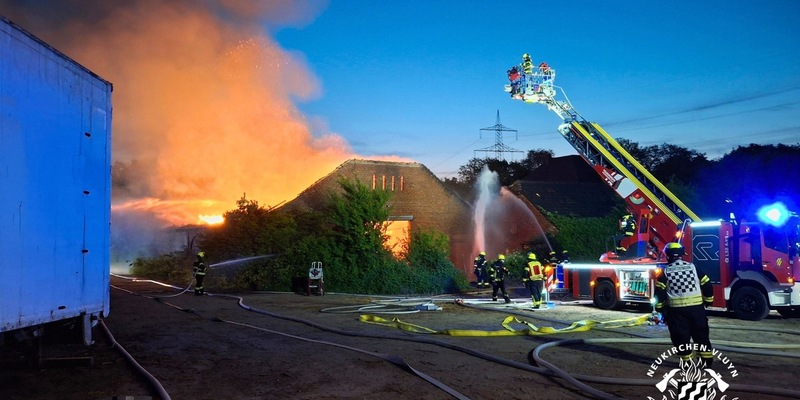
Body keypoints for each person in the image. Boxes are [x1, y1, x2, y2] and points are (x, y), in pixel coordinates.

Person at [654, 242, 714, 367]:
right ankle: (706, 362)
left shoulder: (666, 272)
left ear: (667, 256)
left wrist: (660, 308)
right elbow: (707, 284)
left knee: (681, 337)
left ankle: (687, 364)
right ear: (682, 254)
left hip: (676, 312)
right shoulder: (693, 267)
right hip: (697, 310)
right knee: (701, 335)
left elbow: (660, 292)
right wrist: (708, 300)